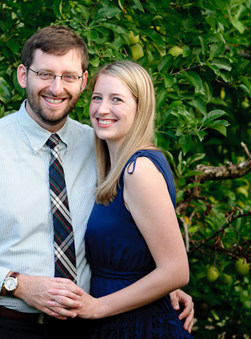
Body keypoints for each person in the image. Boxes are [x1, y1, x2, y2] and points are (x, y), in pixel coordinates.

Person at [0, 25, 194, 338]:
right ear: (24, 76)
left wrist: (157, 289)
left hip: (81, 329)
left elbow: (130, 233)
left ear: (83, 82)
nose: (56, 87)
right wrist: (18, 284)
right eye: (45, 74)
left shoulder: (100, 147)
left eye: (68, 76)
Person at [45, 60, 192, 338]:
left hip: (138, 325)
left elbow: (176, 270)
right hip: (114, 323)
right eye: (97, 98)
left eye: (117, 100)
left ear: (140, 107)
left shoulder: (140, 170)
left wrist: (98, 307)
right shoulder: (114, 169)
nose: (102, 109)